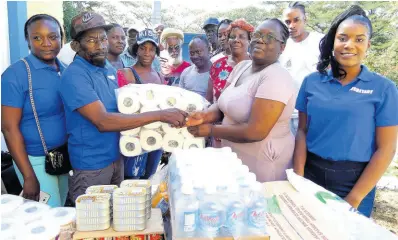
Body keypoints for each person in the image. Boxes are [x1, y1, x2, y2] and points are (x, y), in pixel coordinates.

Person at [59, 12, 187, 201]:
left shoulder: (108, 68)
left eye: (103, 38)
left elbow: (126, 107)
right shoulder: (75, 75)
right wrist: (160, 115)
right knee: (93, 225)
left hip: (117, 159)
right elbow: (103, 121)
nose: (101, 45)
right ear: (76, 45)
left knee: (116, 222)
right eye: (92, 40)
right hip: (91, 166)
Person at [293, 5, 398, 217]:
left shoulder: (383, 88)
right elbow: (302, 131)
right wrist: (299, 177)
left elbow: (386, 149)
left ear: (368, 44)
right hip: (311, 173)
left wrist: (354, 199)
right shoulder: (311, 82)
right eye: (342, 38)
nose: (349, 45)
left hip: (354, 182)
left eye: (359, 39)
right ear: (334, 42)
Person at [186, 19, 296, 182]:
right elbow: (222, 105)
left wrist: (210, 130)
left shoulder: (276, 76)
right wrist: (203, 116)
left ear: (282, 47)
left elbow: (255, 131)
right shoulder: (242, 67)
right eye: (258, 34)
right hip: (233, 158)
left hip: (261, 162)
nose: (261, 39)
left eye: (270, 37)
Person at [1, 14, 68, 207]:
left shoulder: (65, 70)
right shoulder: (16, 74)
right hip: (35, 161)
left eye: (53, 36)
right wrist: (28, 175)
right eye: (37, 37)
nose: (46, 43)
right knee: (52, 221)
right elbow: (8, 128)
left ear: (61, 39)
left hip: (62, 157)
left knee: (62, 212)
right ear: (28, 41)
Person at [117, 28, 164, 179]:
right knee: (131, 177)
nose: (147, 53)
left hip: (155, 137)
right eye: (143, 48)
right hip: (132, 137)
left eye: (151, 49)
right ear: (136, 49)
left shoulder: (159, 77)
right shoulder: (126, 73)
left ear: (156, 52)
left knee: (149, 177)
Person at [279, 2, 324, 135]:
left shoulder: (320, 41)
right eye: (287, 22)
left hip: (313, 113)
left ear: (305, 18)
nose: (291, 25)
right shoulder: (281, 46)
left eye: (296, 20)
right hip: (286, 115)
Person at [206, 18, 253, 104]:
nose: (236, 40)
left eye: (241, 37)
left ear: (249, 41)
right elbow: (208, 100)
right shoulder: (217, 65)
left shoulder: (256, 66)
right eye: (232, 37)